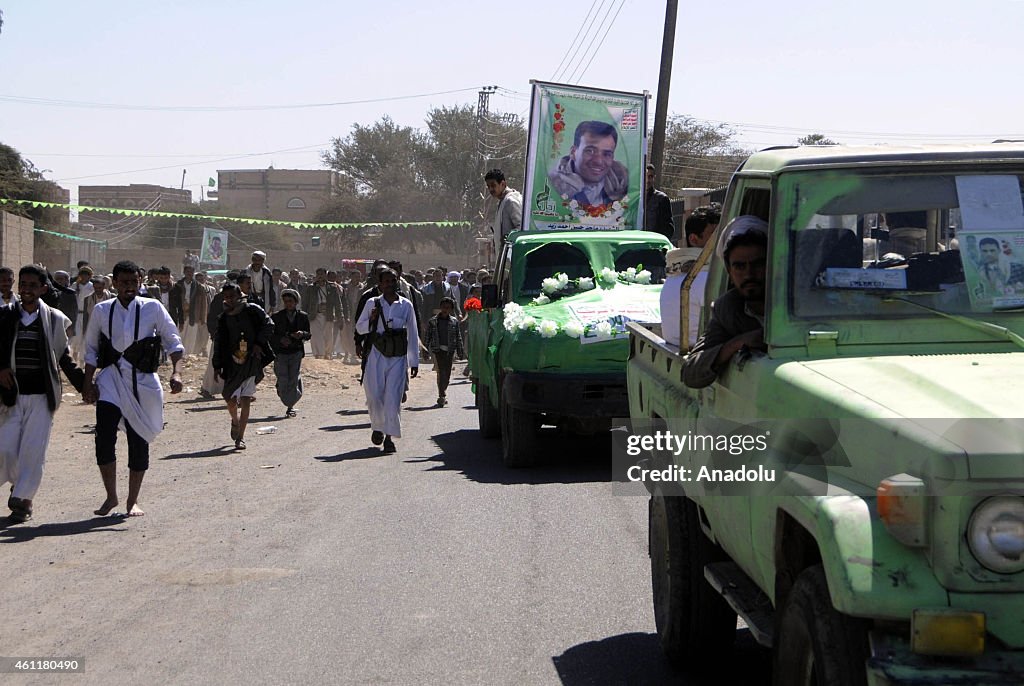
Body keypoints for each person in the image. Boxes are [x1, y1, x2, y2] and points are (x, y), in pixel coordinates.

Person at [83, 260, 185, 517]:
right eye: (124, 282)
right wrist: (88, 383)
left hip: (143, 384)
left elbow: (173, 341)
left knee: (138, 440)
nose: (129, 286)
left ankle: (133, 500)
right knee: (104, 438)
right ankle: (111, 496)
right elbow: (91, 349)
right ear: (114, 283)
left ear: (140, 282)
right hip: (110, 383)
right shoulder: (101, 311)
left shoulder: (153, 307)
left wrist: (177, 372)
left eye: (134, 282)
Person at [0, 265, 85, 523]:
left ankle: (23, 501)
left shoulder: (55, 319)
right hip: (10, 396)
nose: (26, 289)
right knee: (6, 448)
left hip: (41, 395)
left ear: (43, 289)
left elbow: (63, 357)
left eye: (32, 285)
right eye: (22, 285)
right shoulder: (4, 316)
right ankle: (20, 484)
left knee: (33, 451)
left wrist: (85, 386)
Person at [682, 216, 769, 389]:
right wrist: (737, 343)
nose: (749, 274)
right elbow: (691, 372)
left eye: (758, 265)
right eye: (739, 266)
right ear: (729, 270)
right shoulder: (729, 309)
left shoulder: (800, 305)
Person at [355, 268, 419, 453]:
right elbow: (360, 328)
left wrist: (413, 361)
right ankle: (377, 427)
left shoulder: (406, 305)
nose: (390, 284)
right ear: (380, 284)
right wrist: (372, 320)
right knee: (374, 396)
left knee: (393, 399)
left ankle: (389, 438)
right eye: (387, 281)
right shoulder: (371, 303)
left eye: (393, 281)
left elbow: (413, 333)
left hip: (398, 358)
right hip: (376, 355)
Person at [212, 282, 275, 450]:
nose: (229, 300)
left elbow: (269, 325)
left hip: (251, 360)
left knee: (246, 399)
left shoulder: (253, 310)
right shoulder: (224, 317)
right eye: (226, 297)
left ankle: (240, 437)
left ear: (239, 295)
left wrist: (259, 344)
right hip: (231, 363)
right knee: (230, 399)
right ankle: (235, 420)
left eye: (232, 296)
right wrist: (216, 365)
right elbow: (218, 342)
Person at [547, 121, 629, 209]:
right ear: (573, 152)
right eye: (590, 151)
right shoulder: (551, 187)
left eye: (606, 154)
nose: (598, 161)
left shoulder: (622, 180)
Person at [679, 205, 721, 344]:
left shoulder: (674, 275)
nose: (722, 240)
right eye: (715, 235)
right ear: (694, 239)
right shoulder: (707, 280)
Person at [269, 289, 311, 418]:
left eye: (291, 301)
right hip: (281, 353)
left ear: (296, 302)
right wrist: (281, 339)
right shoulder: (276, 317)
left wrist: (301, 334)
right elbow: (270, 335)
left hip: (296, 351)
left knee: (293, 378)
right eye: (286, 301)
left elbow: (308, 334)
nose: (288, 304)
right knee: (283, 378)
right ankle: (286, 396)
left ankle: (290, 406)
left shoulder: (303, 316)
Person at [424, 296, 464, 407]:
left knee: (447, 373)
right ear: (440, 307)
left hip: (450, 351)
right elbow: (427, 336)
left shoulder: (454, 322)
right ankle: (442, 394)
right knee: (441, 372)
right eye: (444, 307)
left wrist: (460, 351)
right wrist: (425, 350)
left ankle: (443, 390)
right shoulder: (433, 321)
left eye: (448, 307)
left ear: (451, 309)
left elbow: (458, 337)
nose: (445, 309)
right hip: (438, 350)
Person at [304, 267, 343, 359]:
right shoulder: (311, 288)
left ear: (326, 275)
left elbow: (338, 303)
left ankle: (327, 353)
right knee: (316, 335)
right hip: (315, 314)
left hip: (328, 314)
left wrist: (340, 316)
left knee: (328, 336)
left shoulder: (332, 287)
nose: (320, 276)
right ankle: (318, 354)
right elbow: (305, 303)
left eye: (322, 274)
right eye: (319, 274)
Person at [484, 169, 523, 261]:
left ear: (503, 184)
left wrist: (507, 238)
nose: (490, 189)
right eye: (488, 186)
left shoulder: (511, 201)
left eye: (493, 185)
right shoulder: (503, 201)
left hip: (513, 258)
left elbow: (521, 228)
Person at [169, 265, 205, 355]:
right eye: (187, 271)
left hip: (194, 314)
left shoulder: (198, 286)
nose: (189, 273)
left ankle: (188, 355)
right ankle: (179, 354)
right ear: (184, 272)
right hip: (181, 314)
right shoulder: (178, 285)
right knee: (180, 334)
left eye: (191, 272)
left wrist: (202, 317)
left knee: (191, 336)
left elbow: (203, 304)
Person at [644, 163, 674, 239]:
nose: (647, 180)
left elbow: (668, 228)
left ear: (654, 178)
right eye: (645, 177)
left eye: (650, 177)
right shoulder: (633, 199)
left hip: (653, 244)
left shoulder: (661, 199)